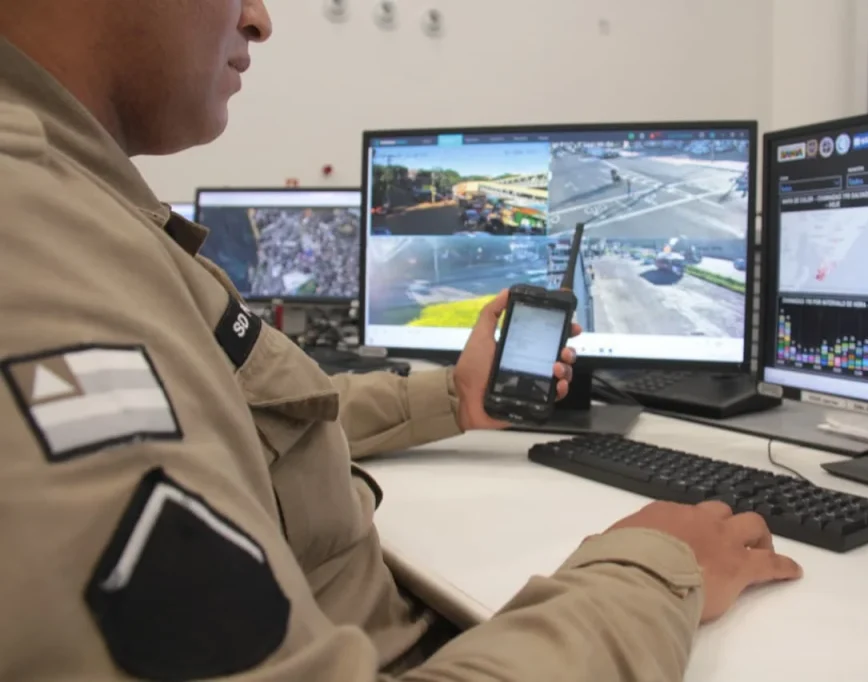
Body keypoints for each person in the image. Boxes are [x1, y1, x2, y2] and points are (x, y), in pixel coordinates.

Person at [0, 1, 802, 680]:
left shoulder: (83, 205)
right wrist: (649, 570)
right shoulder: (39, 240)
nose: (260, 18)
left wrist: (453, 397)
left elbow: (240, 413)